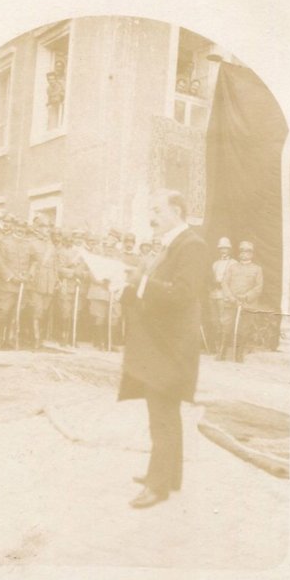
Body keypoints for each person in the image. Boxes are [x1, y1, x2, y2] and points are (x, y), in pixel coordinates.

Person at [120, 189, 207, 508]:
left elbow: (183, 293)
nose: (151, 217)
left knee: (162, 414)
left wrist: (140, 283)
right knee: (165, 411)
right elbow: (155, 292)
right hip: (162, 343)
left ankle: (157, 486)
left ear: (176, 209)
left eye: (156, 210)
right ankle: (169, 476)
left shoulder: (192, 245)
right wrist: (129, 285)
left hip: (171, 346)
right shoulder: (172, 245)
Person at [221, 241, 263, 363]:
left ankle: (239, 355)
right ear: (239, 253)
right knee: (227, 327)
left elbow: (259, 287)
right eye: (242, 251)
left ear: (252, 254)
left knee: (243, 330)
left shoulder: (257, 269)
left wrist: (246, 296)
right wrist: (231, 297)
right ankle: (222, 353)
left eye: (248, 251)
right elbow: (225, 283)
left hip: (247, 304)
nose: (245, 254)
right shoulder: (232, 267)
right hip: (231, 303)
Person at [0, 217, 31, 349]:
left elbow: (34, 262)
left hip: (22, 286)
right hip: (7, 285)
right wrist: (10, 276)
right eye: (18, 228)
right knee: (3, 312)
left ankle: (10, 339)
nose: (21, 230)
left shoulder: (28, 244)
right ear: (14, 227)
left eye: (23, 229)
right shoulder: (5, 242)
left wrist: (29, 274)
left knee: (16, 313)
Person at [28, 214, 59, 349]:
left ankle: (38, 337)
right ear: (37, 228)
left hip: (50, 281)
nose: (47, 229)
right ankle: (35, 339)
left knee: (45, 310)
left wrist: (57, 279)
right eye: (43, 226)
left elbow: (55, 264)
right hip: (37, 280)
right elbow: (27, 261)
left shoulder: (50, 244)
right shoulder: (30, 242)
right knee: (37, 310)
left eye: (48, 227)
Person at [210, 237, 236, 358]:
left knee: (224, 321)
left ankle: (223, 349)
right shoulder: (215, 263)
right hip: (214, 295)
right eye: (221, 248)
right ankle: (216, 346)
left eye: (225, 248)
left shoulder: (234, 263)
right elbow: (211, 278)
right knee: (215, 321)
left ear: (230, 249)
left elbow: (235, 281)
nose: (223, 250)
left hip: (225, 296)